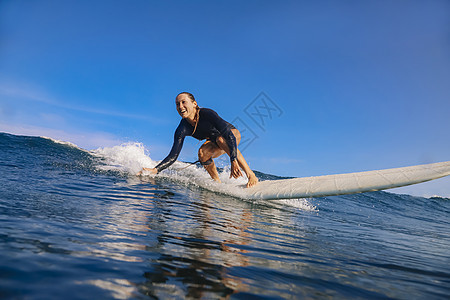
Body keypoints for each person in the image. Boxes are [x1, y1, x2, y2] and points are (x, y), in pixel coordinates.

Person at [137, 92, 258, 188]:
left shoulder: (207, 114)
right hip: (214, 140)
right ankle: (217, 182)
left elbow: (228, 135)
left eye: (184, 102)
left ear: (194, 103)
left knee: (221, 139)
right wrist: (155, 170)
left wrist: (233, 160)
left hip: (231, 134)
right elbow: (173, 155)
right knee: (202, 153)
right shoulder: (182, 128)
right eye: (177, 104)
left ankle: (251, 175)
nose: (180, 106)